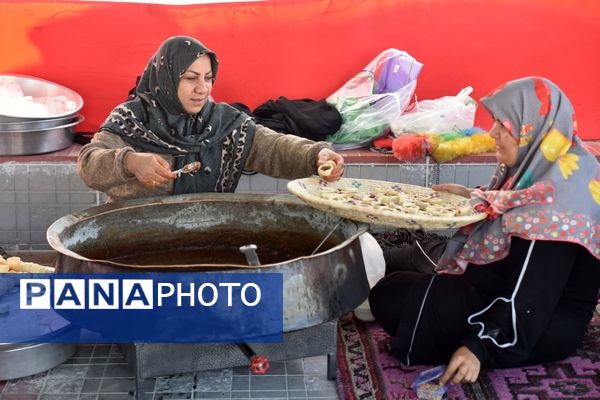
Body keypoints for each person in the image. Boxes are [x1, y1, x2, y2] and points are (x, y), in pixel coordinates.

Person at [368, 77, 600, 386]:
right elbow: (515, 209)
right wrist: (470, 196)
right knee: (399, 276)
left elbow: (530, 293)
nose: (493, 134)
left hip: (538, 322)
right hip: (516, 289)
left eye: (503, 127)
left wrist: (479, 346)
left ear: (531, 129)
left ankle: (490, 344)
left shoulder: (556, 210)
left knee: (390, 296)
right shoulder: (557, 169)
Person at [77, 36, 344, 201]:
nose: (202, 88)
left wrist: (316, 155)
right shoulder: (132, 119)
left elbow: (271, 147)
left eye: (208, 78)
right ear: (166, 79)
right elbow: (89, 162)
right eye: (191, 78)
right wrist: (129, 162)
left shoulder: (222, 122)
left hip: (205, 236)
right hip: (131, 242)